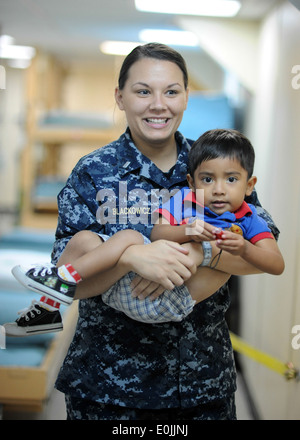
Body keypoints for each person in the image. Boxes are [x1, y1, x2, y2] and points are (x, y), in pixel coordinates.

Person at [3, 43, 281, 420]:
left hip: (199, 386)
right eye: (142, 91)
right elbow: (67, 280)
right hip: (105, 387)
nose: (158, 105)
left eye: (171, 91)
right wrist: (130, 256)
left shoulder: (216, 166)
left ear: (185, 97)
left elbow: (259, 255)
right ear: (120, 97)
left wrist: (206, 253)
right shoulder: (94, 173)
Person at [8, 129, 284, 326]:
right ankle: (53, 300)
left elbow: (275, 263)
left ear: (249, 186)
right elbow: (158, 233)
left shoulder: (248, 219)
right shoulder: (187, 201)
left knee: (130, 238)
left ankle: (60, 285)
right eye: (208, 179)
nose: (219, 190)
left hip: (169, 299)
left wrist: (236, 248)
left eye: (232, 180)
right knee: (84, 240)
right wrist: (187, 231)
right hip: (127, 286)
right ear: (191, 182)